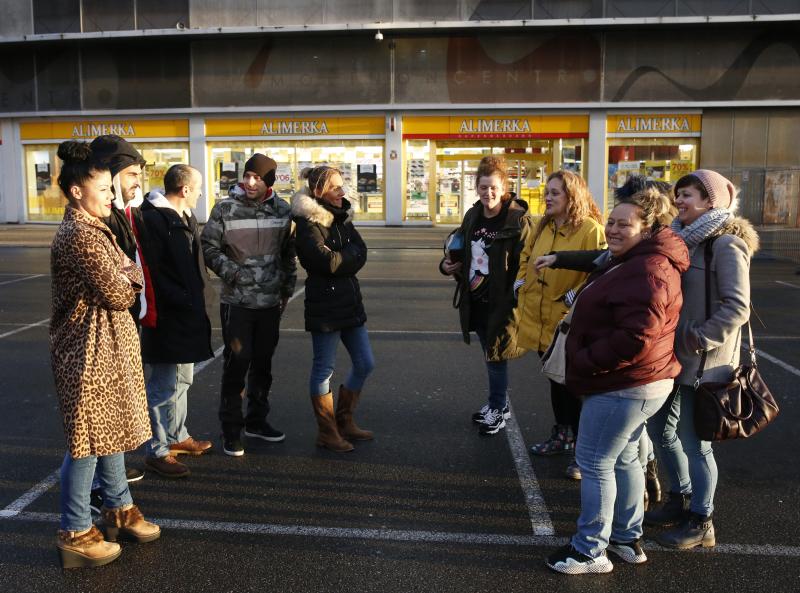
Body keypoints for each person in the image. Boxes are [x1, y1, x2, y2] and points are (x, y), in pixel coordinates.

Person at [545, 188, 688, 574]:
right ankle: (627, 538)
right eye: (611, 221)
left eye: (625, 223)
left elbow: (636, 337)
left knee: (594, 462)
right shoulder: (632, 260)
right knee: (624, 458)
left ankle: (590, 550)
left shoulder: (648, 268)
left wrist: (586, 362)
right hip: (638, 382)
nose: (613, 229)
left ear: (648, 228)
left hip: (626, 383)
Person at [50, 141, 159, 568]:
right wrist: (128, 276)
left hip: (108, 348)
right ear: (78, 190)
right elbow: (120, 292)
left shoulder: (97, 229)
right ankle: (75, 529)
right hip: (86, 351)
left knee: (110, 430)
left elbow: (127, 274)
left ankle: (119, 509)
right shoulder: (79, 234)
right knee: (87, 441)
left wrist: (126, 274)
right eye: (104, 188)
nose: (112, 196)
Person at [645, 170, 758, 549]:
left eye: (688, 195)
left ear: (712, 201)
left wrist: (699, 337)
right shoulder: (679, 239)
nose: (679, 201)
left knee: (696, 443)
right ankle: (680, 498)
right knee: (661, 431)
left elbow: (737, 307)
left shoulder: (725, 245)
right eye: (679, 195)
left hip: (703, 363)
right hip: (670, 357)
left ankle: (702, 520)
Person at [201, 153, 297, 456]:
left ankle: (257, 421)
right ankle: (232, 429)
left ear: (268, 180)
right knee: (236, 365)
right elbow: (208, 247)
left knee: (263, 365)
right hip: (237, 302)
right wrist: (234, 273)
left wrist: (286, 291)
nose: (249, 181)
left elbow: (288, 255)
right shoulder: (225, 209)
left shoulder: (283, 210)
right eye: (247, 176)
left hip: (270, 303)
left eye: (257, 177)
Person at [514, 170, 605, 479]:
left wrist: (575, 295)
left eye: (555, 192)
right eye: (547, 191)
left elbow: (602, 266)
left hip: (569, 324)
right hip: (541, 320)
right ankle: (562, 435)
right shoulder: (545, 226)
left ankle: (584, 451)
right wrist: (521, 280)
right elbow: (526, 256)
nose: (548, 197)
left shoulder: (590, 229)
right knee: (555, 381)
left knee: (574, 387)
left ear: (573, 197)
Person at [440, 155, 532, 436]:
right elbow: (459, 248)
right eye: (482, 188)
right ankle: (497, 404)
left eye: (493, 187)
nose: (487, 193)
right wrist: (446, 265)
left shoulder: (517, 220)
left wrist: (516, 296)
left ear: (504, 187)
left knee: (495, 356)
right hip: (475, 300)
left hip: (501, 302)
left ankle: (498, 408)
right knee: (490, 354)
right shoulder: (472, 215)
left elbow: (524, 261)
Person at [291, 165, 374, 452]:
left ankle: (345, 420)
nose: (342, 191)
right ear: (319, 192)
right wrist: (344, 257)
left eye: (342, 185)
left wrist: (342, 256)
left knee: (365, 363)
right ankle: (327, 432)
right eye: (335, 187)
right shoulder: (306, 223)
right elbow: (324, 262)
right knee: (323, 369)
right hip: (325, 306)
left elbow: (360, 252)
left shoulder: (343, 218)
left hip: (350, 303)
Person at [139, 165, 215, 478]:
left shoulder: (185, 217)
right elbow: (154, 272)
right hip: (169, 316)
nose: (200, 193)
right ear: (184, 189)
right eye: (198, 188)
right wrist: (183, 300)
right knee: (163, 386)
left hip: (188, 313)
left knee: (184, 379)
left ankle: (177, 437)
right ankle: (157, 450)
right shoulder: (154, 219)